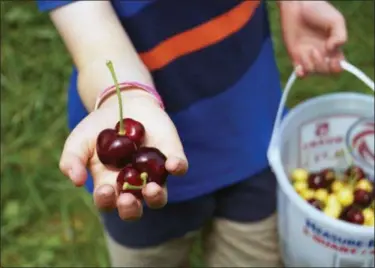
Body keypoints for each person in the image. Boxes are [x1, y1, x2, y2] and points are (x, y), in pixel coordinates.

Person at [36, 0, 347, 267]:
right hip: (144, 186)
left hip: (253, 130)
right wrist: (129, 95)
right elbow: (96, 46)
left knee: (254, 255)